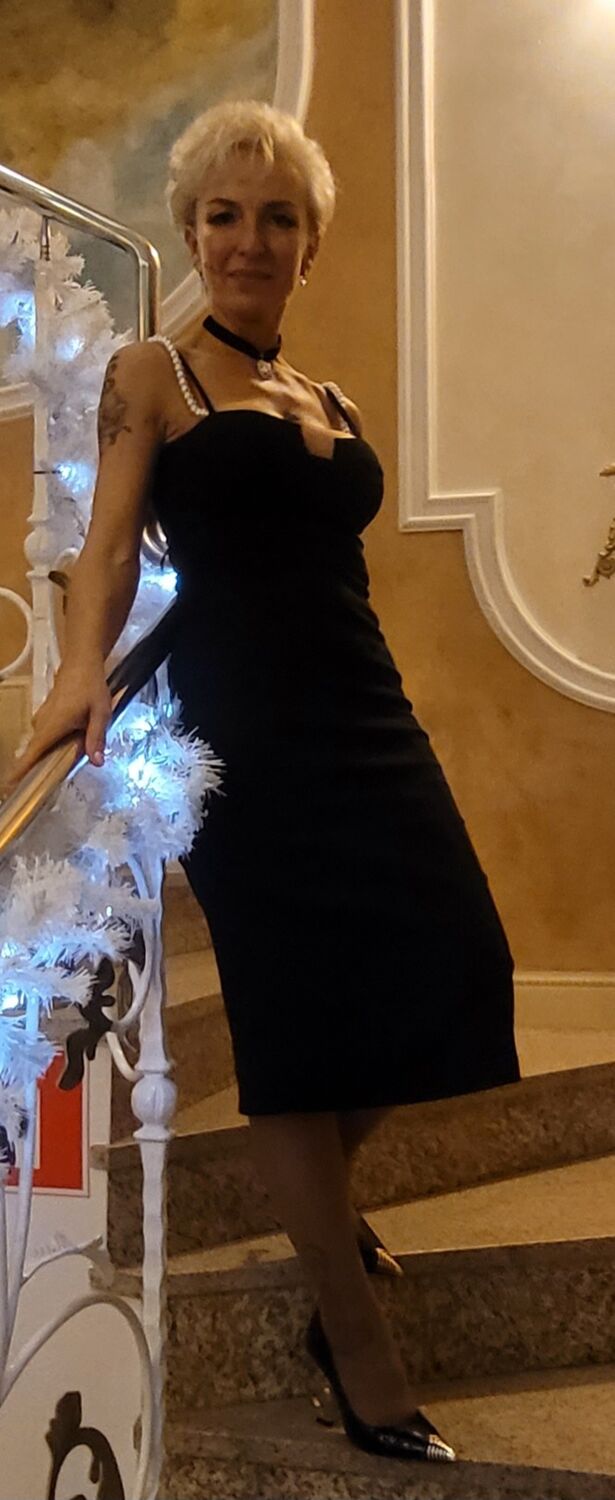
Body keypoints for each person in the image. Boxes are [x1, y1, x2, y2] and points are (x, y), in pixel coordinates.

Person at [12, 100, 521, 1465]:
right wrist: (78, 677)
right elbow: (107, 548)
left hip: (366, 710)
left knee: (464, 961)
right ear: (191, 234)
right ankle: (353, 1342)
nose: (249, 238)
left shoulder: (328, 397)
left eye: (278, 217)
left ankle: (325, 1209)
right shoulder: (154, 374)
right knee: (295, 1032)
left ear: (311, 247)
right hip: (246, 737)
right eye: (224, 215)